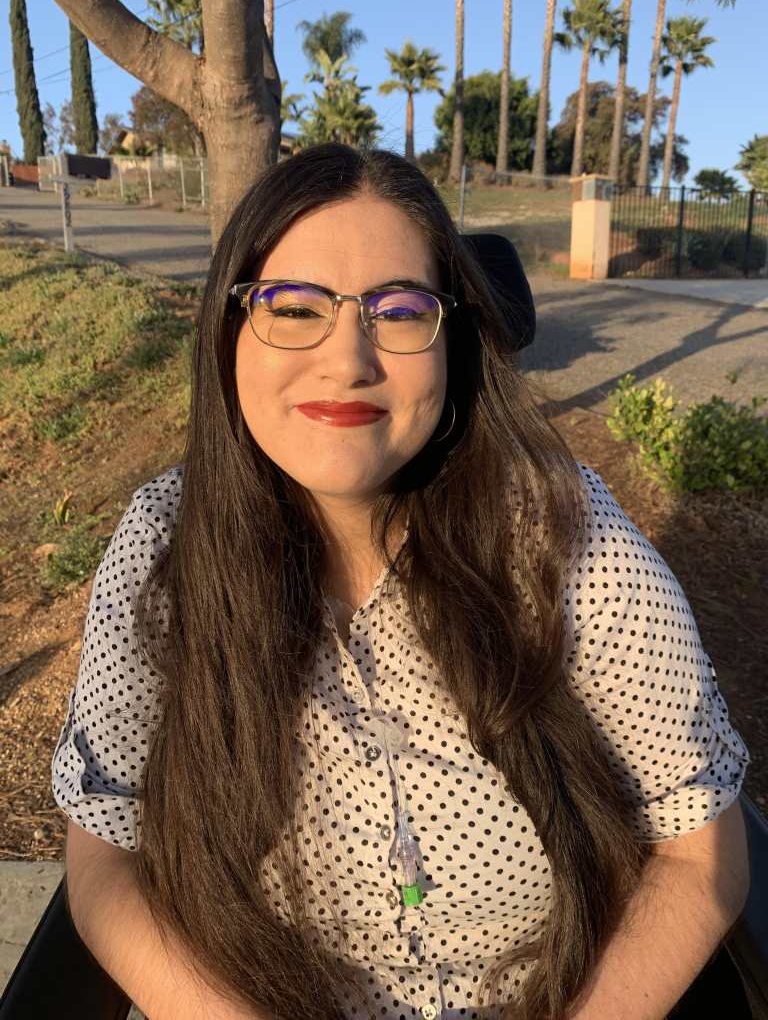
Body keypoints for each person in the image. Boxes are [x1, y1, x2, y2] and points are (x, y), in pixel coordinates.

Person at [52, 143, 750, 1020]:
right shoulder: (166, 547)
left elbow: (700, 853)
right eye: (293, 307)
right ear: (228, 334)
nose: (348, 360)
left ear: (453, 340)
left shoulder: (564, 535)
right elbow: (106, 856)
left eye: (400, 309)